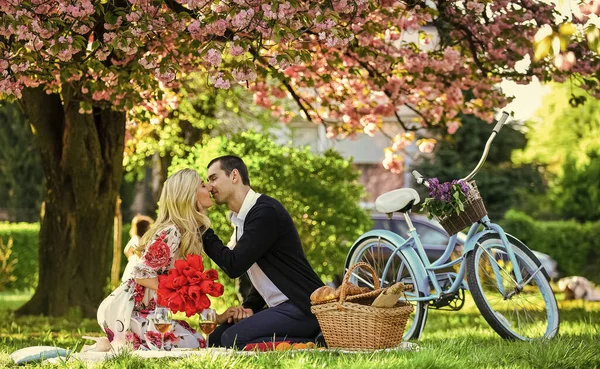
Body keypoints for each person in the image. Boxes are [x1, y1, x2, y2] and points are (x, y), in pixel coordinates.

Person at [97, 169, 231, 351]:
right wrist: (178, 294)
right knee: (195, 343)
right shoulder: (171, 232)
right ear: (188, 195)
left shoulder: (187, 233)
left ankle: (122, 342)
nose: (209, 186)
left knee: (197, 340)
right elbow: (141, 275)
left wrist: (216, 316)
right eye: (202, 184)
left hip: (154, 314)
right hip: (128, 312)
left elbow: (187, 287)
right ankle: (122, 340)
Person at [202, 155, 324, 349]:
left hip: (302, 307)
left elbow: (234, 265)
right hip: (281, 308)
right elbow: (266, 275)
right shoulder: (242, 218)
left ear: (234, 176)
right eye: (207, 181)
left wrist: (203, 231)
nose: (209, 186)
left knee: (232, 340)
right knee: (217, 338)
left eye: (213, 178)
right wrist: (249, 307)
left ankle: (315, 342)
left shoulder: (265, 212)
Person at [121, 214, 154, 282]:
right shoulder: (140, 240)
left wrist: (131, 258)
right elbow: (140, 252)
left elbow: (126, 250)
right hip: (139, 263)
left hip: (134, 262)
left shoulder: (135, 238)